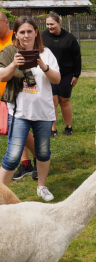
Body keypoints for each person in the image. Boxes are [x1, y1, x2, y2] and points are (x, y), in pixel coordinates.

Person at [0, 16, 60, 201]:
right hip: (19, 113)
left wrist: (44, 67)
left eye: (29, 31)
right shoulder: (10, 52)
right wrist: (13, 65)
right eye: (22, 32)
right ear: (16, 34)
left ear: (36, 32)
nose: (26, 35)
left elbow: (57, 79)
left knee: (42, 152)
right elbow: (2, 76)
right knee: (12, 156)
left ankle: (41, 187)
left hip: (43, 113)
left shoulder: (47, 53)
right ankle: (1, 193)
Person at [0, 12, 38, 180]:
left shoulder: (16, 40)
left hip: (17, 94)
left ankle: (37, 158)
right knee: (12, 130)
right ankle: (27, 163)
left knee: (16, 129)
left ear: (6, 23)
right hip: (3, 93)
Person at [42, 12, 81, 137]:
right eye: (47, 24)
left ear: (59, 22)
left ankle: (68, 126)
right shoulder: (42, 37)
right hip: (49, 74)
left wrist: (76, 75)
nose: (49, 26)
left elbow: (77, 57)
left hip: (66, 74)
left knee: (64, 100)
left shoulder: (69, 38)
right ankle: (53, 128)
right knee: (52, 100)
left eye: (52, 24)